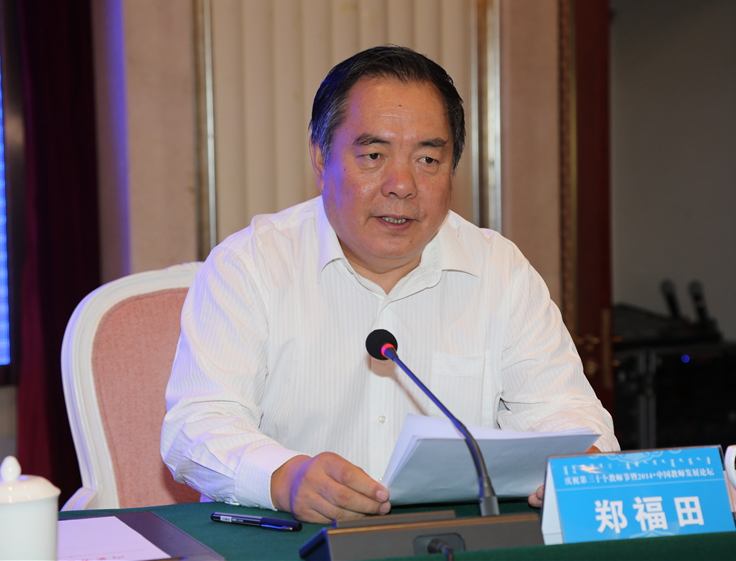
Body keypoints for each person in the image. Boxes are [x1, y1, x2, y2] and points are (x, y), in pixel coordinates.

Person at [161, 45, 618, 524]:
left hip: (449, 540)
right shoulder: (250, 265)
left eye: (428, 159)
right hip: (289, 538)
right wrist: (284, 478)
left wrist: (578, 461)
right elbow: (197, 425)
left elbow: (566, 412)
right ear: (320, 158)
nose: (402, 184)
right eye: (374, 155)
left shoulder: (500, 270)